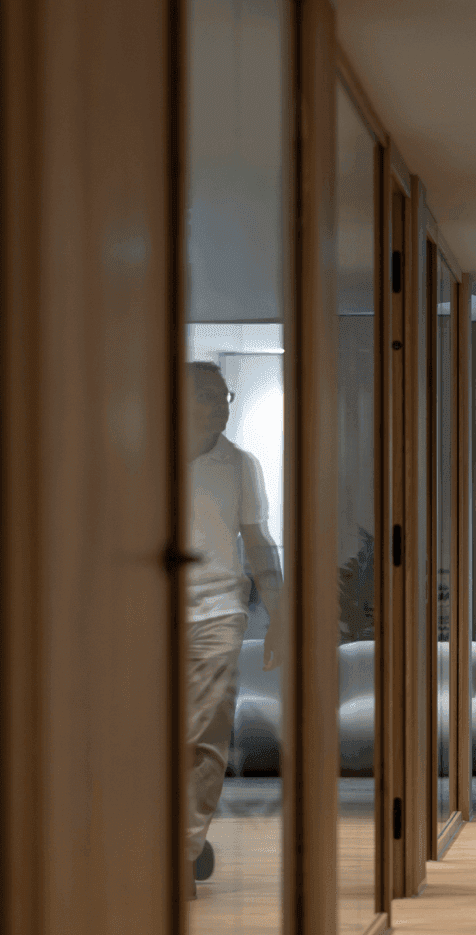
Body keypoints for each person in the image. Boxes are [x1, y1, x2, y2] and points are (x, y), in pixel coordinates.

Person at [185, 361, 284, 895]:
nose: (220, 406)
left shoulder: (240, 465)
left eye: (224, 396)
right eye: (207, 396)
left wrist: (281, 615)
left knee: (207, 733)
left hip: (220, 611)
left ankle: (183, 848)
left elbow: (259, 541)